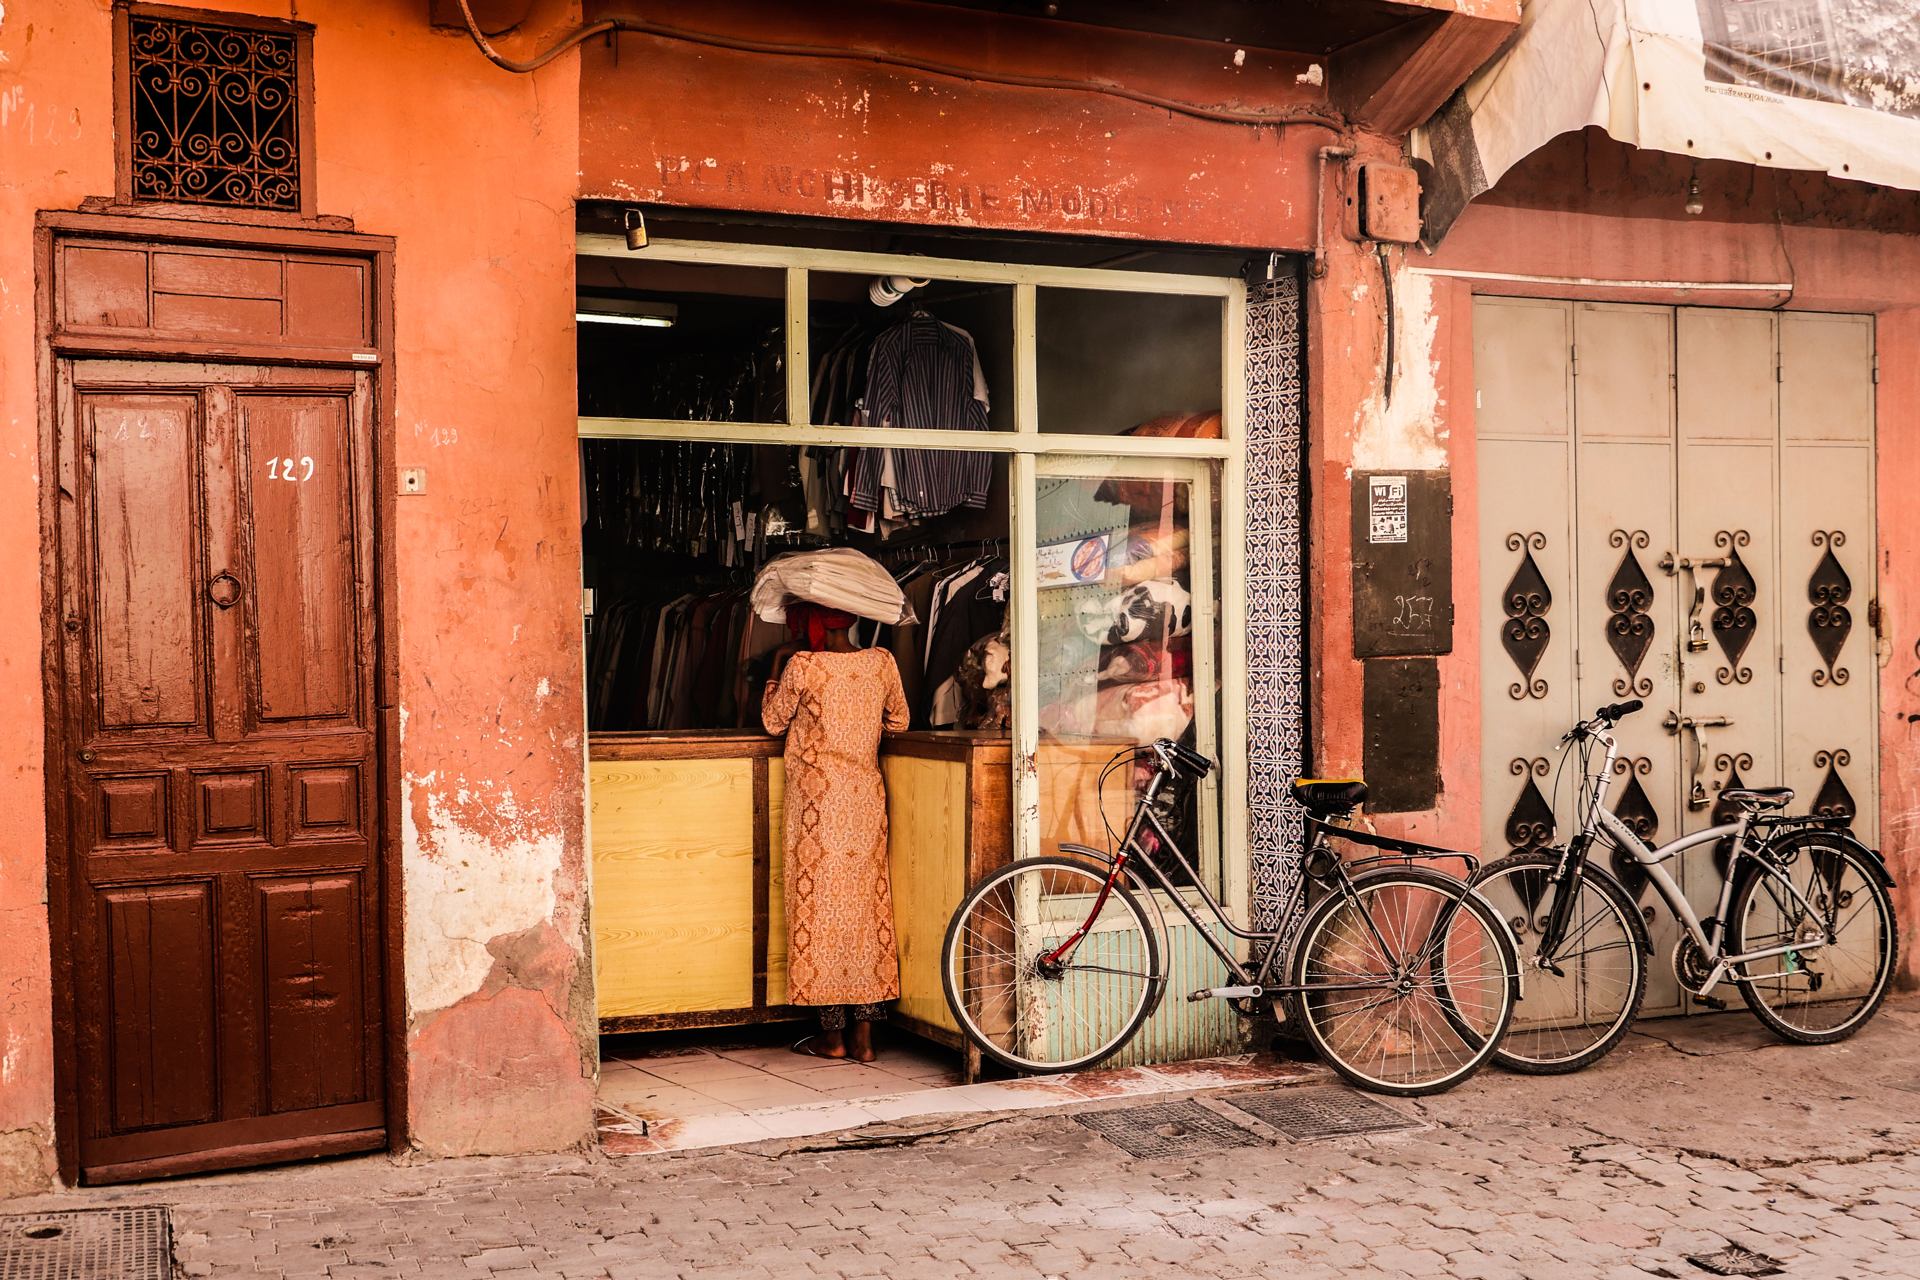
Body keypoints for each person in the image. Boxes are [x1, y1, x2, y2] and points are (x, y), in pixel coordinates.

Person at [761, 601, 911, 1062]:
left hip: (817, 808)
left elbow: (771, 721)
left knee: (820, 913)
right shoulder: (882, 662)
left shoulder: (802, 665)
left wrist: (775, 666)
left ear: (811, 624)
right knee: (867, 911)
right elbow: (899, 721)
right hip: (865, 800)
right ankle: (865, 1039)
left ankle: (832, 1037)